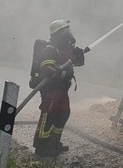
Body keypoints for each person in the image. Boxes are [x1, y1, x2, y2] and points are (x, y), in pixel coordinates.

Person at [33, 19, 86, 157]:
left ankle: (54, 143)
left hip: (62, 89)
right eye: (64, 31)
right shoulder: (50, 49)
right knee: (48, 115)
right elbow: (47, 68)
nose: (68, 33)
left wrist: (79, 56)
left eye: (68, 30)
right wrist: (64, 72)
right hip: (50, 89)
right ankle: (41, 146)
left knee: (63, 113)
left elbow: (79, 62)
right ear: (57, 34)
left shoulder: (66, 48)